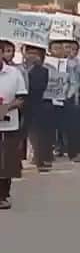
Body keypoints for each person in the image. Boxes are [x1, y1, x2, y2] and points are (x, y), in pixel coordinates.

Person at [0, 40, 28, 209]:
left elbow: (22, 97)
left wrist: (6, 107)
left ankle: (3, 195)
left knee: (6, 161)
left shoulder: (14, 73)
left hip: (9, 124)